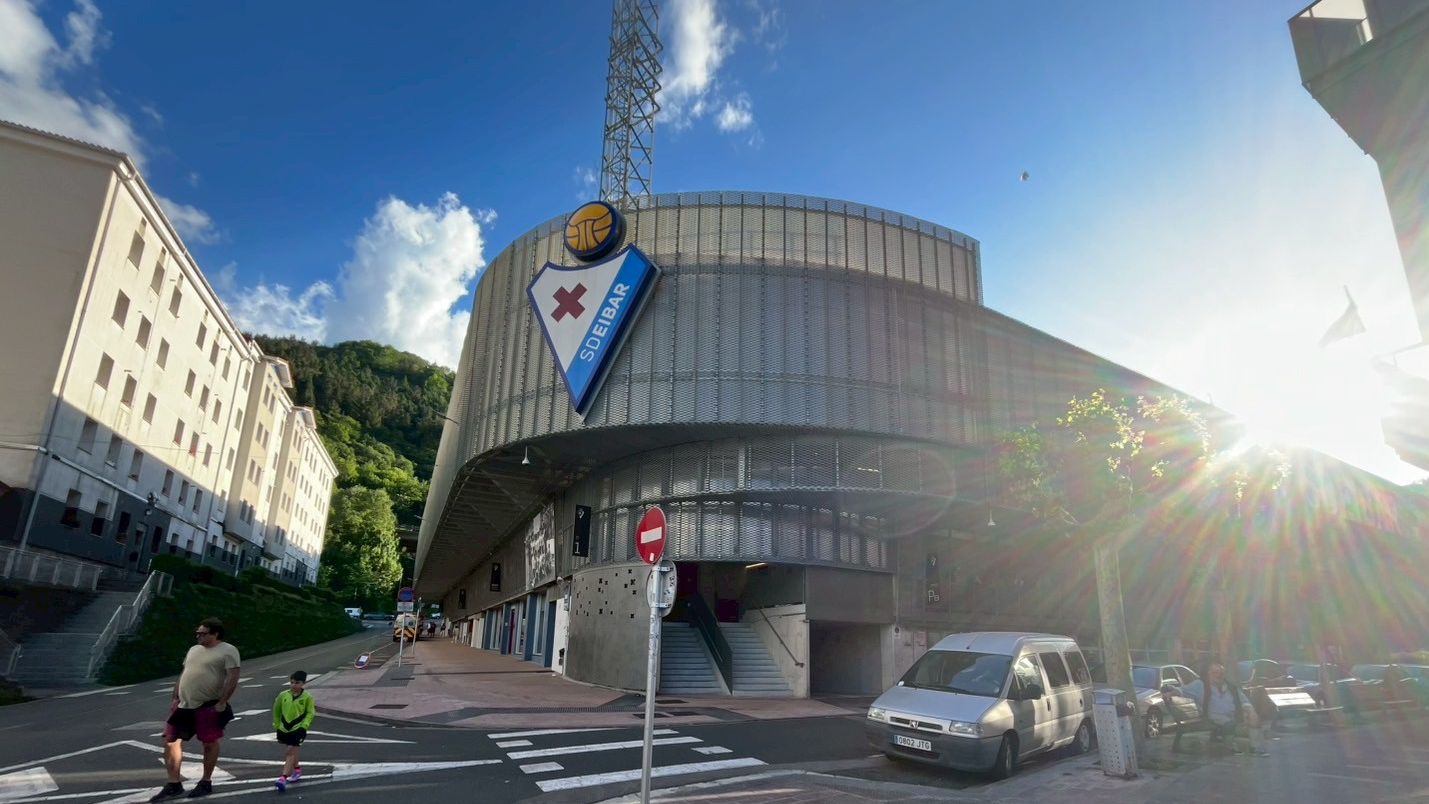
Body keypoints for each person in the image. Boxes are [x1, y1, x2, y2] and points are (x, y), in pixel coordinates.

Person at [150, 618, 241, 801]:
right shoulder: (193, 649)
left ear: (215, 634)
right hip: (184, 704)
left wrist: (223, 701)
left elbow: (233, 676)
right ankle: (174, 784)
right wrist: (175, 696)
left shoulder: (228, 650)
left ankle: (206, 781)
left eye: (203, 633)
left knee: (209, 743)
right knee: (170, 741)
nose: (198, 636)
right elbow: (185, 673)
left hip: (208, 704)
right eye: (197, 633)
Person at [1167, 660, 1267, 756]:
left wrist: (1250, 710)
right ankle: (1230, 748)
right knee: (1228, 723)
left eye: (1221, 673)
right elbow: (1182, 690)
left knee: (1253, 716)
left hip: (1233, 714)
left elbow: (1244, 700)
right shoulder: (1200, 685)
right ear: (1208, 674)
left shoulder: (1230, 687)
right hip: (1212, 716)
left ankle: (1255, 748)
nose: (1218, 675)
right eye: (1215, 672)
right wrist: (1170, 690)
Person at [273, 670, 316, 792]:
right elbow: (276, 711)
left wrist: (304, 726)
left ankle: (283, 778)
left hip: (298, 729)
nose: (293, 685)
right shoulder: (283, 695)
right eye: (291, 682)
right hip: (284, 729)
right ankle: (297, 769)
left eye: (297, 683)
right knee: (294, 750)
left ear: (303, 683)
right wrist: (277, 726)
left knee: (290, 751)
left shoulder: (307, 697)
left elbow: (310, 713)